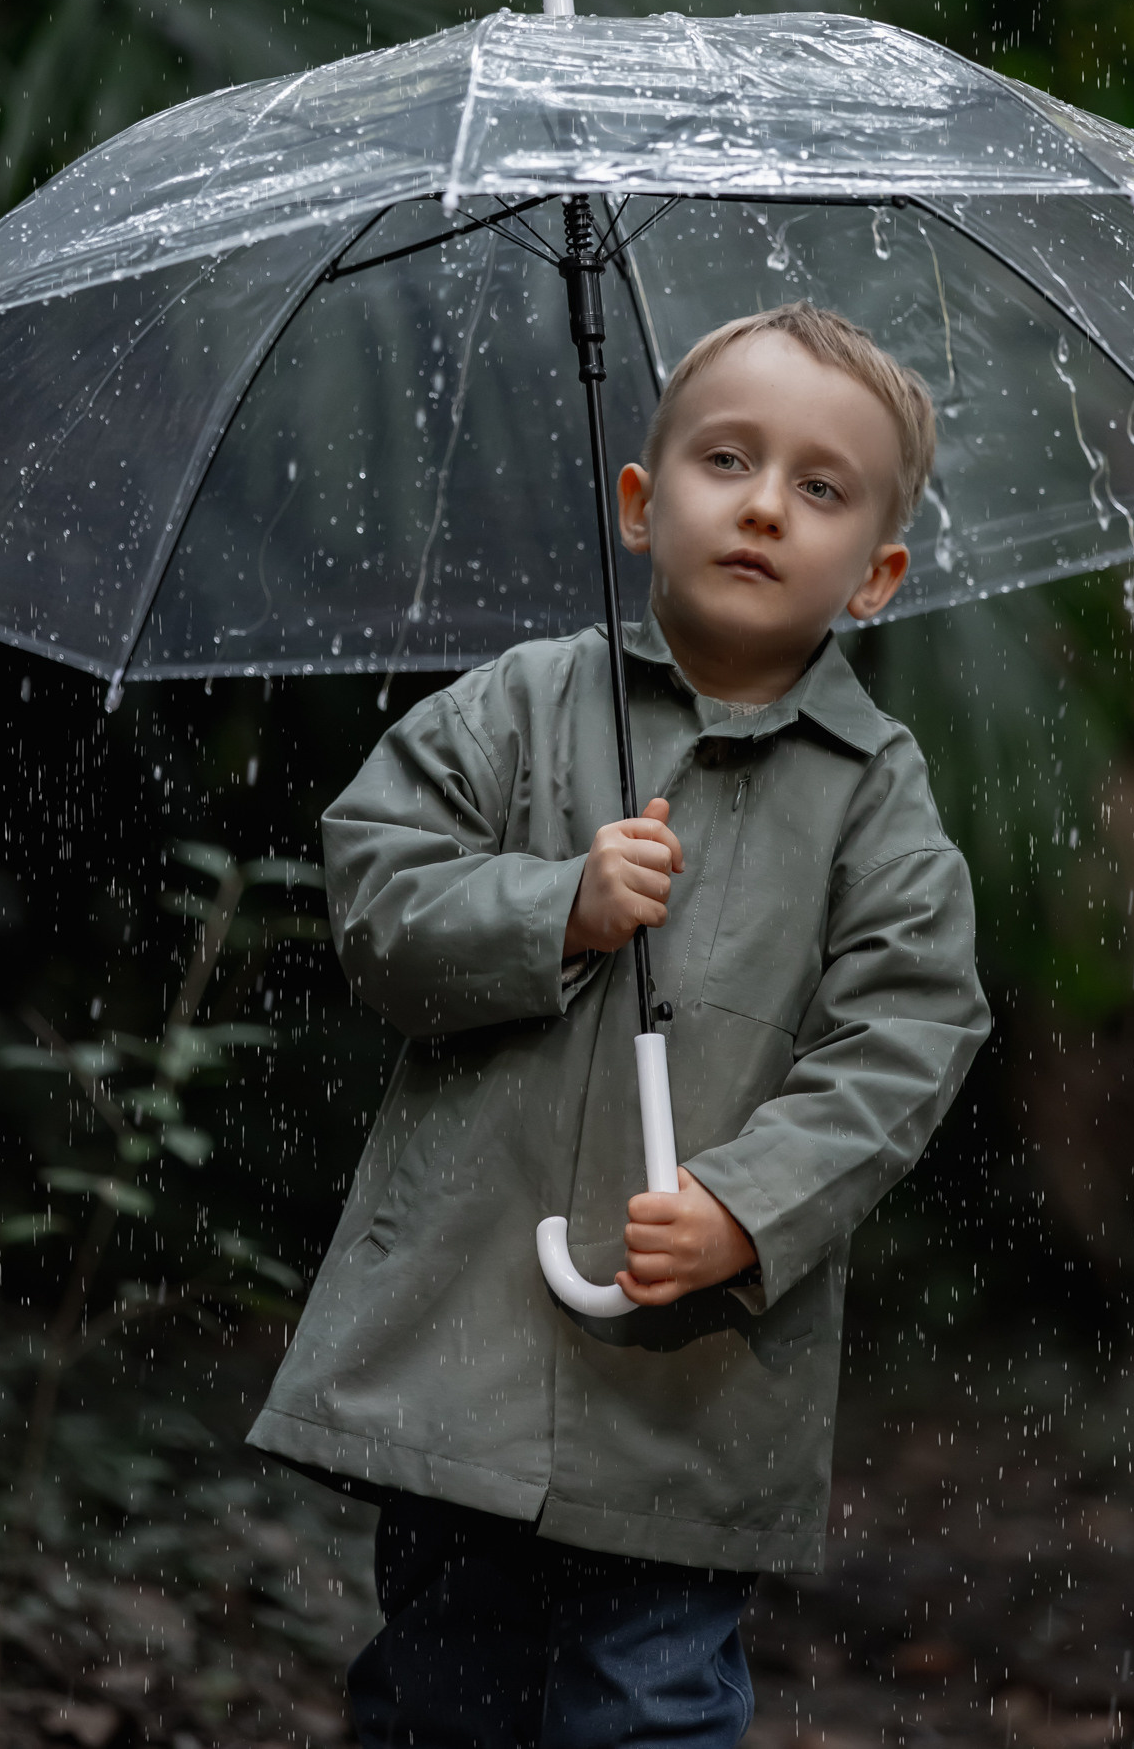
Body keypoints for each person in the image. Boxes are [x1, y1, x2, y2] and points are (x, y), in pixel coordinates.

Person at [246, 300, 991, 1748]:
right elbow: (376, 903)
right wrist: (556, 909)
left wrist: (748, 1202)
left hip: (691, 1391)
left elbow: (908, 1032)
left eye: (821, 487)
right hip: (471, 1348)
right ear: (643, 505)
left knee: (644, 1706)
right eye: (728, 459)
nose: (766, 504)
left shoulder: (872, 793)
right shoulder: (521, 708)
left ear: (877, 576)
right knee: (444, 1692)